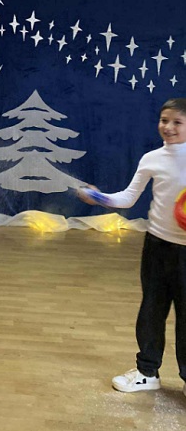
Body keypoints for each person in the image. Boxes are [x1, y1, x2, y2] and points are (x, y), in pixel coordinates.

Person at [78, 98, 186, 394]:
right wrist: (97, 198)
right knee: (152, 308)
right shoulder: (152, 159)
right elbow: (127, 198)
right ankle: (147, 372)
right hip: (156, 246)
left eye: (177, 122)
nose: (168, 127)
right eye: (164, 120)